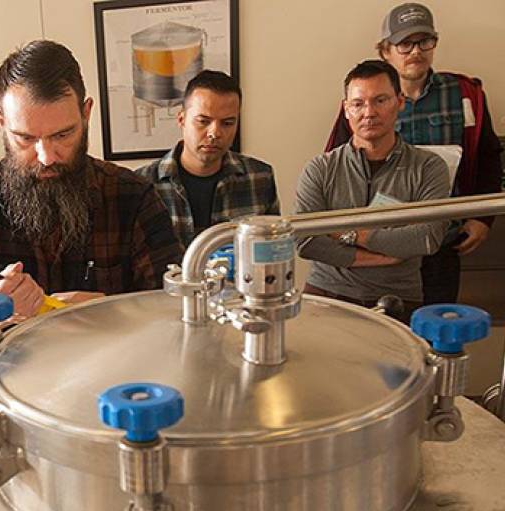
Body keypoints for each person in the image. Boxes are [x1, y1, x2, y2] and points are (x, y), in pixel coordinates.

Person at [0, 40, 182, 386]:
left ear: (86, 113)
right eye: (25, 138)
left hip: (110, 392)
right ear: (0, 121)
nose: (46, 156)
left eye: (63, 134)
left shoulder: (132, 196)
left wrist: (111, 312)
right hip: (1, 398)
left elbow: (176, 310)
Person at [325, 3, 502, 304]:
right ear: (385, 50)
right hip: (379, 240)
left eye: (424, 41)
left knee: (432, 332)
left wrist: (483, 218)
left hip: (443, 239)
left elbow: (488, 158)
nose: (415, 51)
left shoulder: (463, 94)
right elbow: (337, 165)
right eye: (404, 43)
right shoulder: (364, 103)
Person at [296, 60, 451, 324]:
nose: (369, 112)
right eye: (358, 104)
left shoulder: (428, 167)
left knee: (400, 367)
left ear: (400, 102)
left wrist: (347, 233)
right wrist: (375, 257)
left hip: (399, 299)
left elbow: (427, 238)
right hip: (326, 294)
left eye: (380, 100)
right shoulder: (320, 168)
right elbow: (305, 241)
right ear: (346, 110)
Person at [135, 70, 279, 247]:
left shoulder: (260, 178)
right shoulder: (142, 185)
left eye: (227, 123)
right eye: (203, 121)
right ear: (181, 120)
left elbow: (273, 252)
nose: (215, 133)